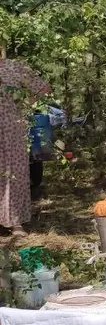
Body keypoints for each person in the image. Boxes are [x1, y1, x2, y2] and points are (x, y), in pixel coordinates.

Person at [0, 54, 50, 237]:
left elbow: (43, 87)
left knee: (14, 172)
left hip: (11, 128)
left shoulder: (15, 67)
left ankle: (15, 222)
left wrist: (25, 107)